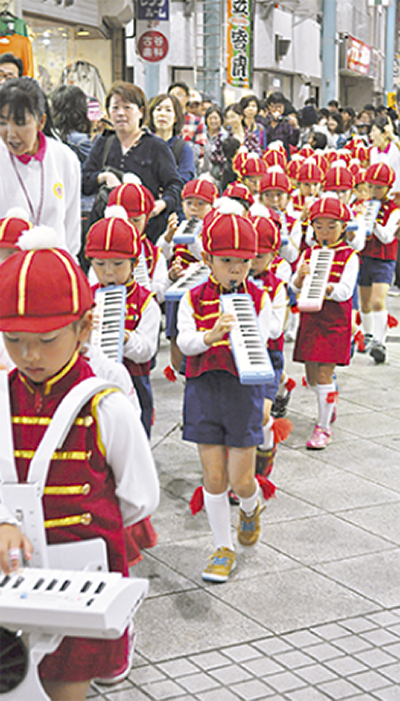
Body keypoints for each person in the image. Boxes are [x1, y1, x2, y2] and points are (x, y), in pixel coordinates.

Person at [0, 241, 159, 699]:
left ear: (84, 327)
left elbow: (139, 497)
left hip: (82, 579)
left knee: (66, 685)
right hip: (11, 570)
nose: (29, 354)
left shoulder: (106, 405)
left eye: (46, 340)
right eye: (14, 339)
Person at [177, 209, 272, 582]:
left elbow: (265, 339)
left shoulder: (260, 297)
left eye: (244, 262)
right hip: (203, 390)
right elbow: (185, 342)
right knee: (214, 478)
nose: (236, 269)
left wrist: (243, 327)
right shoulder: (192, 298)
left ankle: (250, 506)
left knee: (241, 480)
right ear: (207, 258)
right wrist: (210, 335)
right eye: (226, 260)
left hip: (242, 393)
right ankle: (222, 548)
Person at [290, 197, 359, 449]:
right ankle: (329, 400)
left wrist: (323, 286)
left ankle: (323, 428)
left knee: (323, 373)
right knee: (311, 375)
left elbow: (345, 292)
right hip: (311, 319)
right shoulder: (308, 253)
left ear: (343, 227)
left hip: (334, 321)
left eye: (332, 226)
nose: (325, 232)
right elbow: (294, 287)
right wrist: (300, 279)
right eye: (318, 227)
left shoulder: (350, 256)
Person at [85, 213, 161, 436]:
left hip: (134, 380)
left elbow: (147, 350)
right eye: (100, 264)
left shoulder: (146, 302)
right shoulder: (85, 298)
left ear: (134, 263)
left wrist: (125, 338)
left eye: (118, 264)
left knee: (134, 437)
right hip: (92, 378)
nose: (109, 272)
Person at [83, 81, 182, 243]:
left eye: (127, 107)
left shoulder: (156, 146)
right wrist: (104, 177)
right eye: (115, 108)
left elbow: (175, 185)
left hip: (146, 234)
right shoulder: (103, 142)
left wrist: (161, 204)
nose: (121, 113)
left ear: (141, 112)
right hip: (108, 235)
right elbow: (85, 181)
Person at [0, 77, 81, 256]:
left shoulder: (65, 158)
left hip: (54, 266)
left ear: (41, 122)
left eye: (20, 123)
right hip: (7, 268)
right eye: (2, 122)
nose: (10, 133)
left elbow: (72, 229)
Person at [50, 84, 95, 270]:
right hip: (85, 208)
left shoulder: (51, 140)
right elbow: (90, 173)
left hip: (59, 207)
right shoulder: (81, 141)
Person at [358, 163, 400, 363]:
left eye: (379, 187)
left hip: (384, 259)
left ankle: (380, 342)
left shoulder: (395, 210)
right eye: (371, 186)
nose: (374, 191)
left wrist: (372, 223)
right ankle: (367, 335)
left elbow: (387, 237)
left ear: (388, 188)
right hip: (365, 256)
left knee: (377, 301)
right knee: (365, 302)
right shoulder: (362, 205)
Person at [148, 92, 195, 186]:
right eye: (158, 109)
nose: (162, 114)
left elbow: (185, 177)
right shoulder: (143, 145)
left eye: (168, 110)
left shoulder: (183, 148)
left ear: (176, 118)